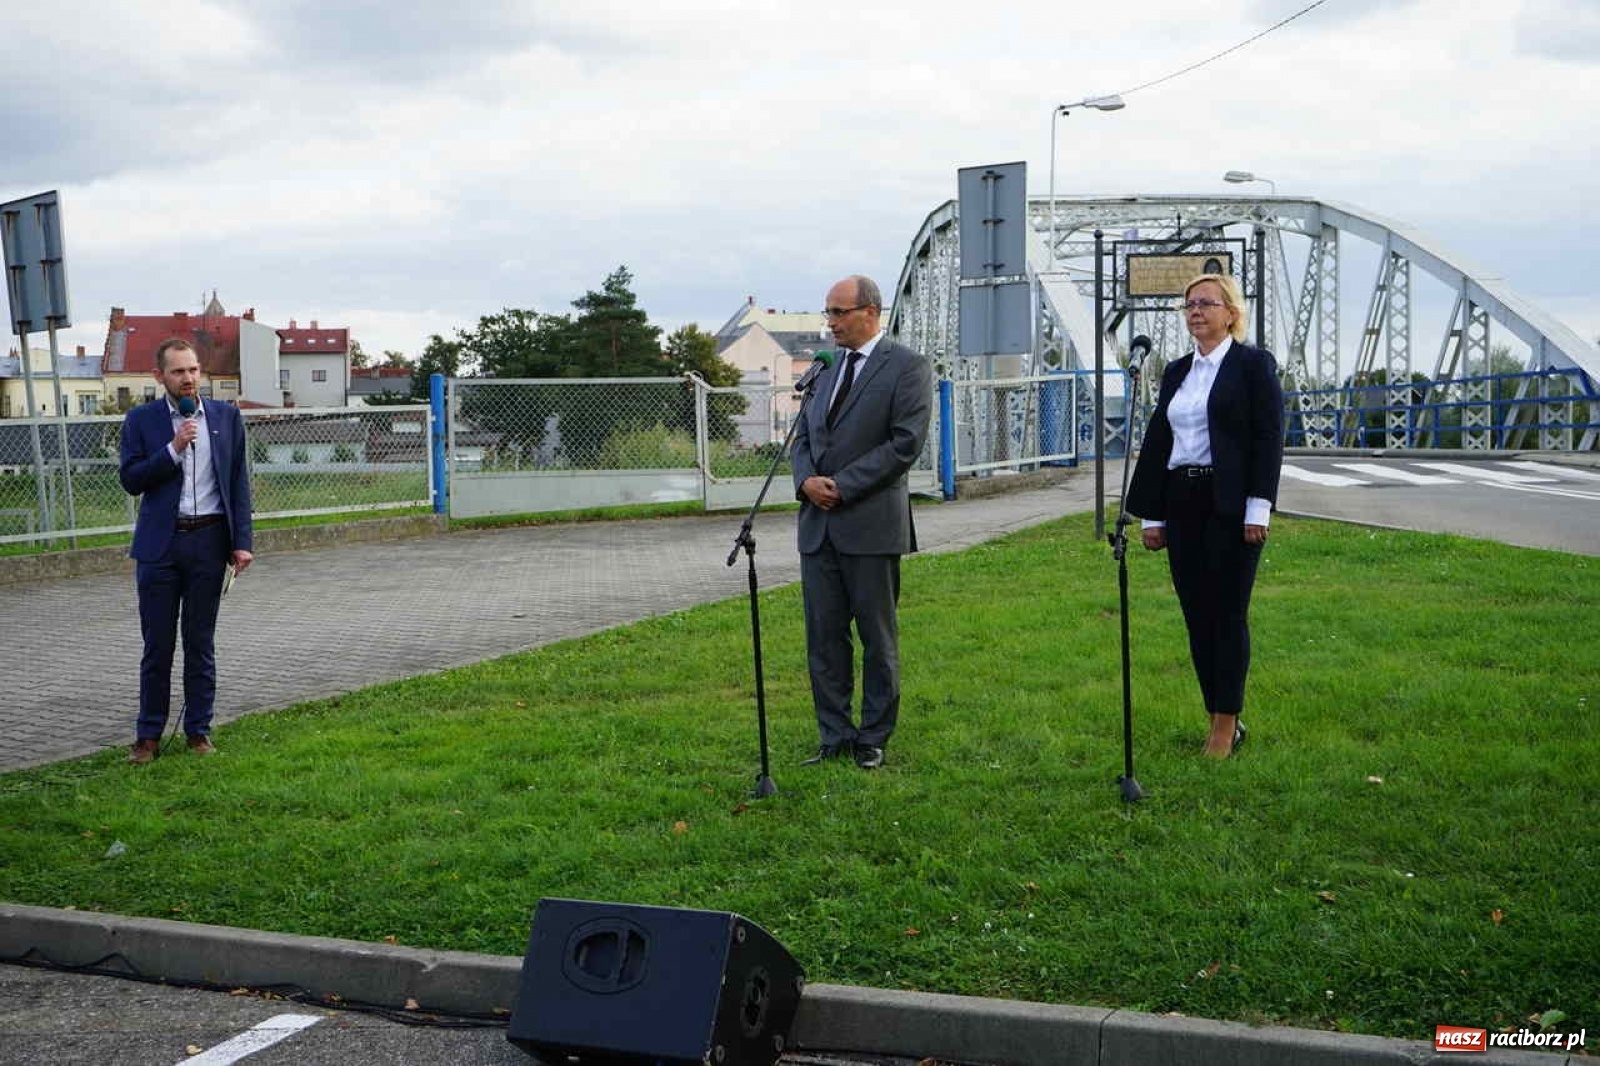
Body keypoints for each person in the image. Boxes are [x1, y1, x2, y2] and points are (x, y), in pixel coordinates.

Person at [1125, 273, 1283, 758]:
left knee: (1228, 614)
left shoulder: (1253, 366)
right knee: (1197, 615)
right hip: (1182, 500)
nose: (1196, 311)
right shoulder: (1176, 371)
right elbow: (1159, 440)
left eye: (1206, 304)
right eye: (1189, 305)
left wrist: (1259, 507)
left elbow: (1267, 438)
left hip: (1231, 504)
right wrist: (1152, 515)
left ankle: (1224, 724)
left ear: (1230, 313)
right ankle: (1216, 711)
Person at [791, 275, 933, 770]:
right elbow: (803, 437)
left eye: (839, 312)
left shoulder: (907, 367)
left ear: (870, 312)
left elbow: (904, 443)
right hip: (819, 527)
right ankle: (834, 735)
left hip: (870, 524)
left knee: (877, 639)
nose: (830, 322)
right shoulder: (823, 369)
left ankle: (873, 736)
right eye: (828, 312)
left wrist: (843, 486)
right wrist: (807, 480)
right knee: (824, 640)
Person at [119, 338, 254, 764]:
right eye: (178, 372)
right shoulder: (141, 420)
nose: (188, 378)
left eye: (193, 370)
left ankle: (198, 731)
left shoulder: (226, 418)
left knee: (200, 643)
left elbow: (238, 483)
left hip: (208, 542)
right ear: (160, 377)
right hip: (161, 546)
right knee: (157, 646)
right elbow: (132, 479)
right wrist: (173, 450)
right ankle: (148, 737)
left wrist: (242, 543)